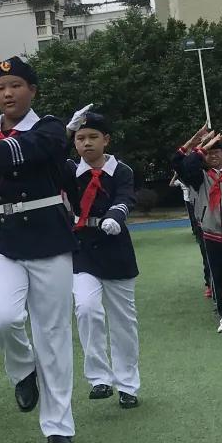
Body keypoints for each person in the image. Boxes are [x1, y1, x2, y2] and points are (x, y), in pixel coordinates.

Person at [0, 57, 74, 443]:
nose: (7, 93)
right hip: (3, 240)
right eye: (0, 87)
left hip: (47, 240)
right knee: (2, 318)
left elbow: (36, 149)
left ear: (32, 91)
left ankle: (58, 424)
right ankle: (23, 368)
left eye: (16, 85)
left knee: (52, 334)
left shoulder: (50, 127)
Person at [68, 111, 143, 402]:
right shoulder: (69, 170)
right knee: (86, 308)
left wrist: (115, 215)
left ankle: (127, 385)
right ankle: (99, 377)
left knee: (123, 321)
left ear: (106, 139)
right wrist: (64, 131)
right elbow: (47, 159)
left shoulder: (121, 170)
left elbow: (126, 197)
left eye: (93, 137)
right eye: (80, 138)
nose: (86, 143)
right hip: (83, 247)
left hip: (115, 248)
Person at [172, 130, 222, 332]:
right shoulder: (199, 178)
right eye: (209, 153)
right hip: (211, 235)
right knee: (218, 276)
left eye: (217, 151)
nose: (213, 155)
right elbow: (178, 163)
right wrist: (197, 144)